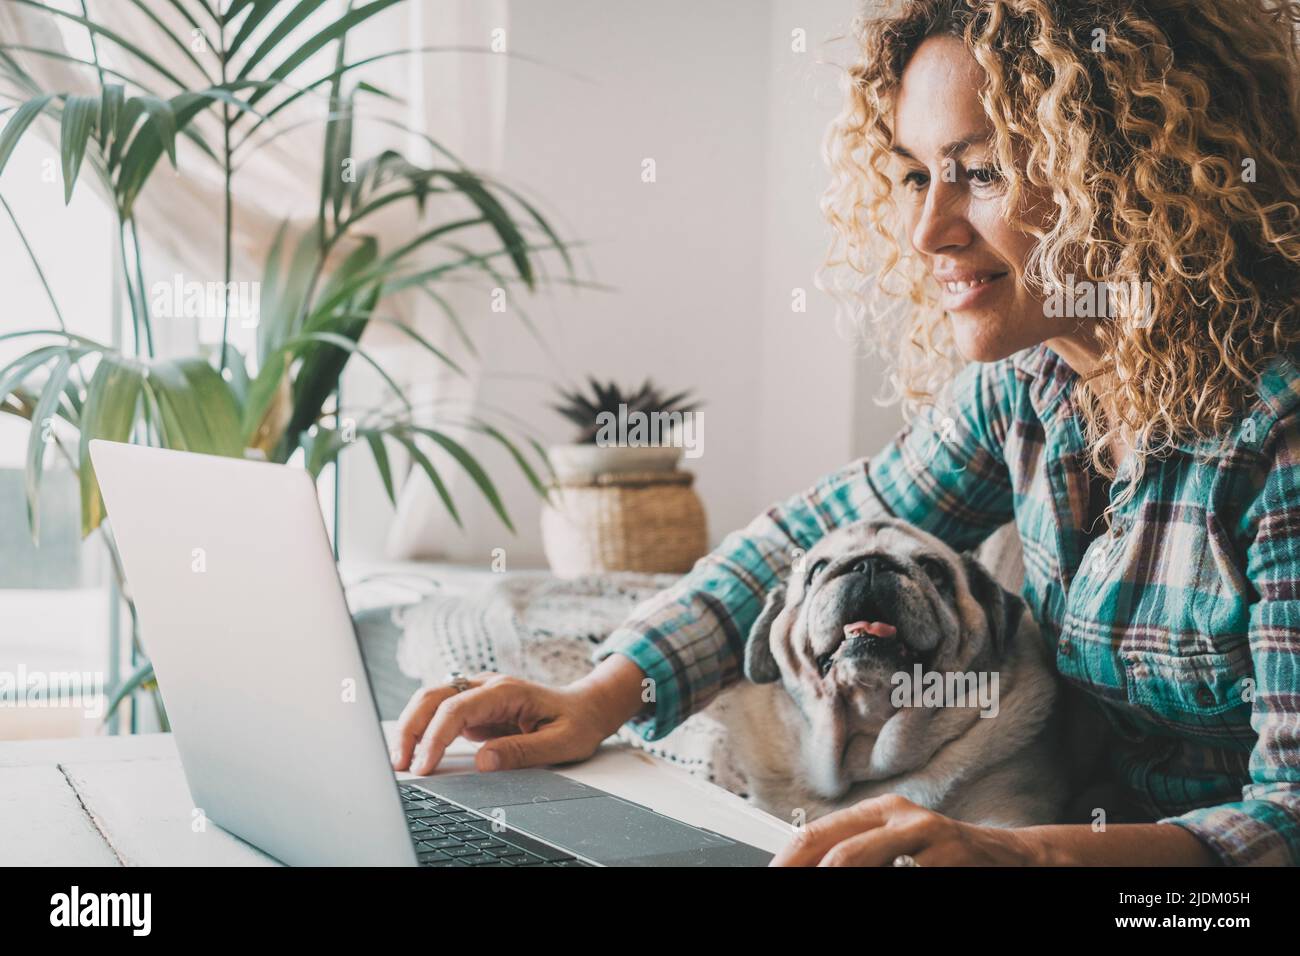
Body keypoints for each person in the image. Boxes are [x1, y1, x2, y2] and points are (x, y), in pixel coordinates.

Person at [392, 0, 1300, 866]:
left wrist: (1018, 852)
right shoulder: (1025, 390)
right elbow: (800, 544)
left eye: (981, 173)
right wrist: (601, 694)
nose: (926, 229)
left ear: (1133, 175)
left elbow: (1289, 817)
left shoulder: (1280, 444)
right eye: (914, 174)